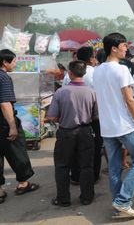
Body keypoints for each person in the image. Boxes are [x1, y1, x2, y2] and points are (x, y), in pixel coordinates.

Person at [93, 33, 134, 219]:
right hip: (124, 125)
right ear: (114, 48)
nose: (127, 49)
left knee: (114, 167)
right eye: (124, 46)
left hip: (107, 127)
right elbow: (129, 99)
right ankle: (123, 201)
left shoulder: (97, 70)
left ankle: (119, 202)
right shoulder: (121, 69)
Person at [46, 61, 98, 206]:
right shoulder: (92, 92)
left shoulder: (60, 92)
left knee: (62, 166)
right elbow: (96, 115)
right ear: (85, 73)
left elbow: (52, 116)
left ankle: (63, 199)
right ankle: (87, 197)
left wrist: (63, 118)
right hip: (86, 131)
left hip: (66, 132)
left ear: (70, 73)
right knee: (86, 165)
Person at [0, 49, 39, 204]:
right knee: (17, 151)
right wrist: (12, 126)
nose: (15, 64)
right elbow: (4, 103)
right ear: (5, 62)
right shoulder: (3, 78)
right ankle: (23, 183)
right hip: (3, 122)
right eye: (14, 61)